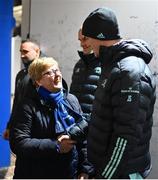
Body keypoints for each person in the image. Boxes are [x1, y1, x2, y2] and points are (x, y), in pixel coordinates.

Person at [82, 7, 156, 179]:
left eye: (88, 39)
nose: (88, 45)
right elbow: (102, 116)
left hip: (122, 173)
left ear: (99, 37)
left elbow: (127, 135)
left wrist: (105, 176)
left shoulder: (128, 71)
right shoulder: (113, 65)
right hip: (110, 169)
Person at [9, 57, 92, 179]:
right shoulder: (27, 106)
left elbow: (83, 138)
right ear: (37, 81)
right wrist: (56, 146)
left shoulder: (71, 100)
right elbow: (19, 143)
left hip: (69, 172)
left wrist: (85, 169)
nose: (57, 75)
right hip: (35, 173)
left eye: (57, 70)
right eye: (49, 73)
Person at [3, 40, 41, 140]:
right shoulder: (21, 75)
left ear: (37, 52)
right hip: (21, 128)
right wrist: (9, 126)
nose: (22, 55)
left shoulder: (44, 72)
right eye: (21, 52)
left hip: (38, 129)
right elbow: (17, 102)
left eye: (25, 51)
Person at [70, 28, 101, 119]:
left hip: (95, 124)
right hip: (76, 122)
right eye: (80, 40)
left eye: (85, 39)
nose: (82, 44)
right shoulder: (79, 64)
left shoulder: (106, 64)